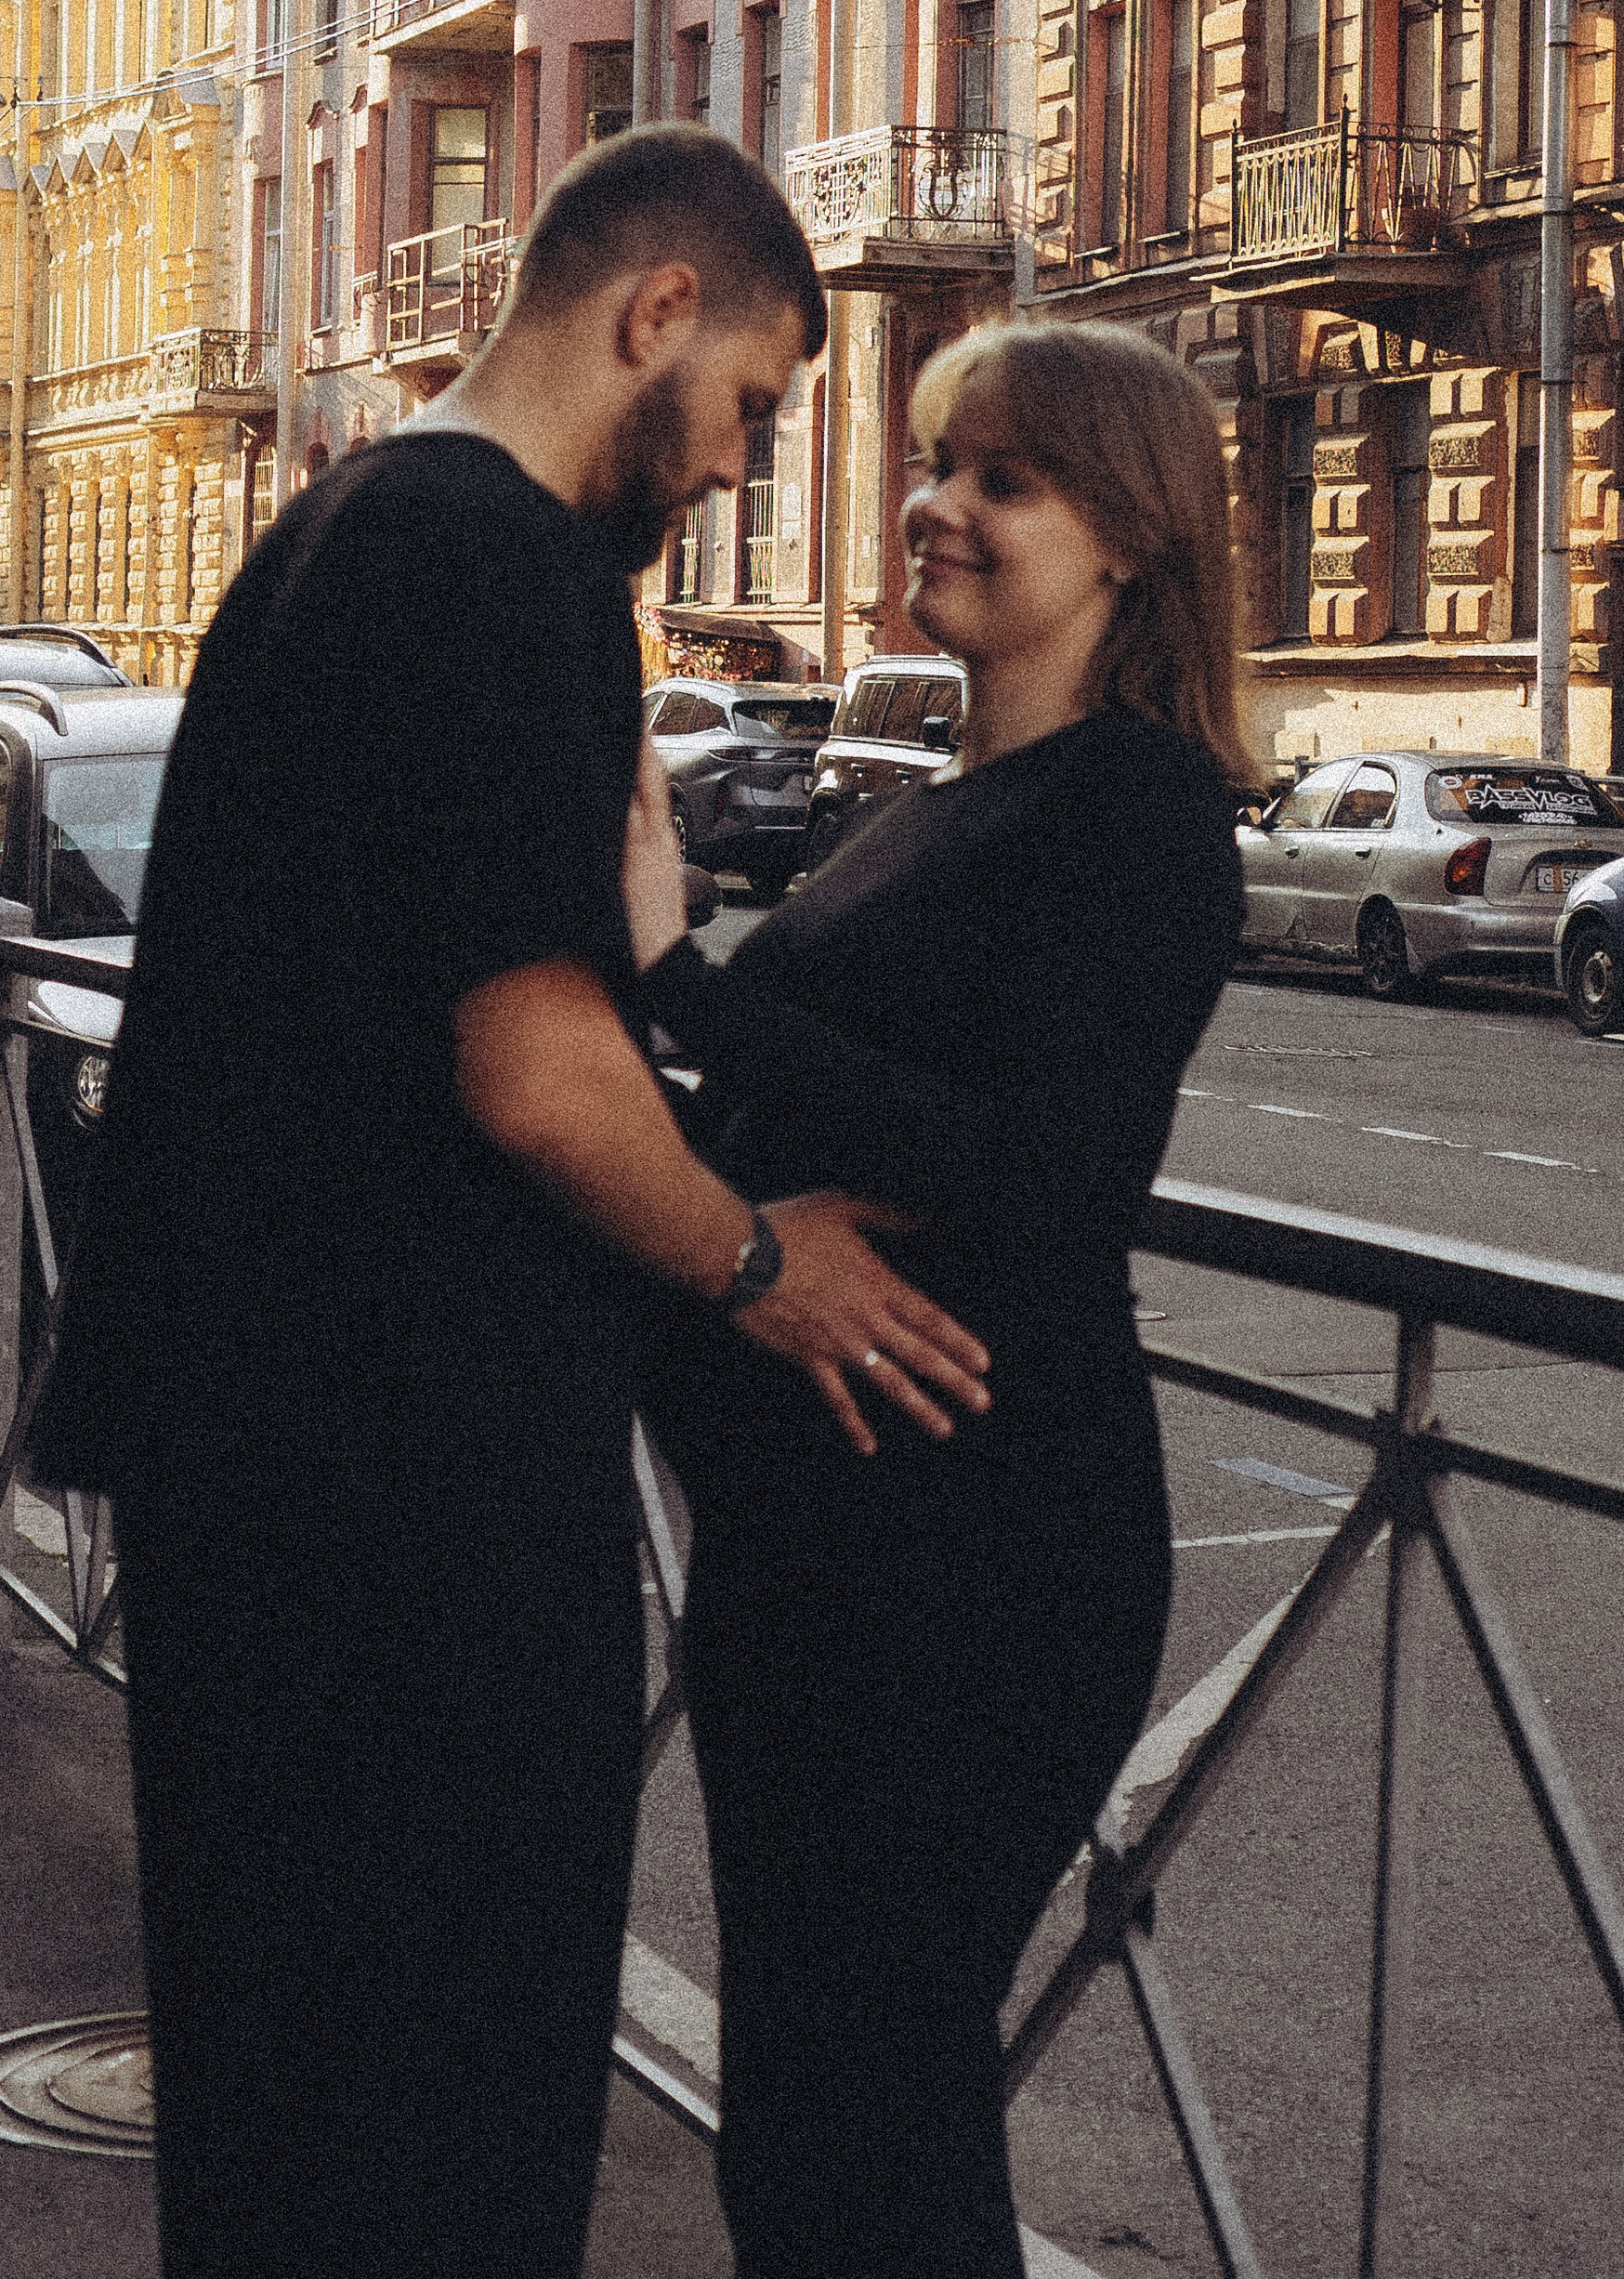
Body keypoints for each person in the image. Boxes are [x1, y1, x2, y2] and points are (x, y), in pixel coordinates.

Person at [30, 126, 991, 2279]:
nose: (737, 465)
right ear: (655, 314)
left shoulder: (345, 525)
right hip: (405, 1496)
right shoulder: (504, 566)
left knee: (286, 2105)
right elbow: (537, 1075)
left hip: (267, 1467)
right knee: (440, 2118)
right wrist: (769, 1271)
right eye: (748, 401)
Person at [628, 318, 1256, 2279]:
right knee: (813, 2105)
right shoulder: (929, 787)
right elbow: (844, 1117)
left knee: (872, 2105)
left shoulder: (1138, 806)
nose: (938, 503)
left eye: (1003, 477)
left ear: (1129, 536)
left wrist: (680, 981)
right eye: (933, 460)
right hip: (823, 1534)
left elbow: (1048, 1176)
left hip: (977, 1544)